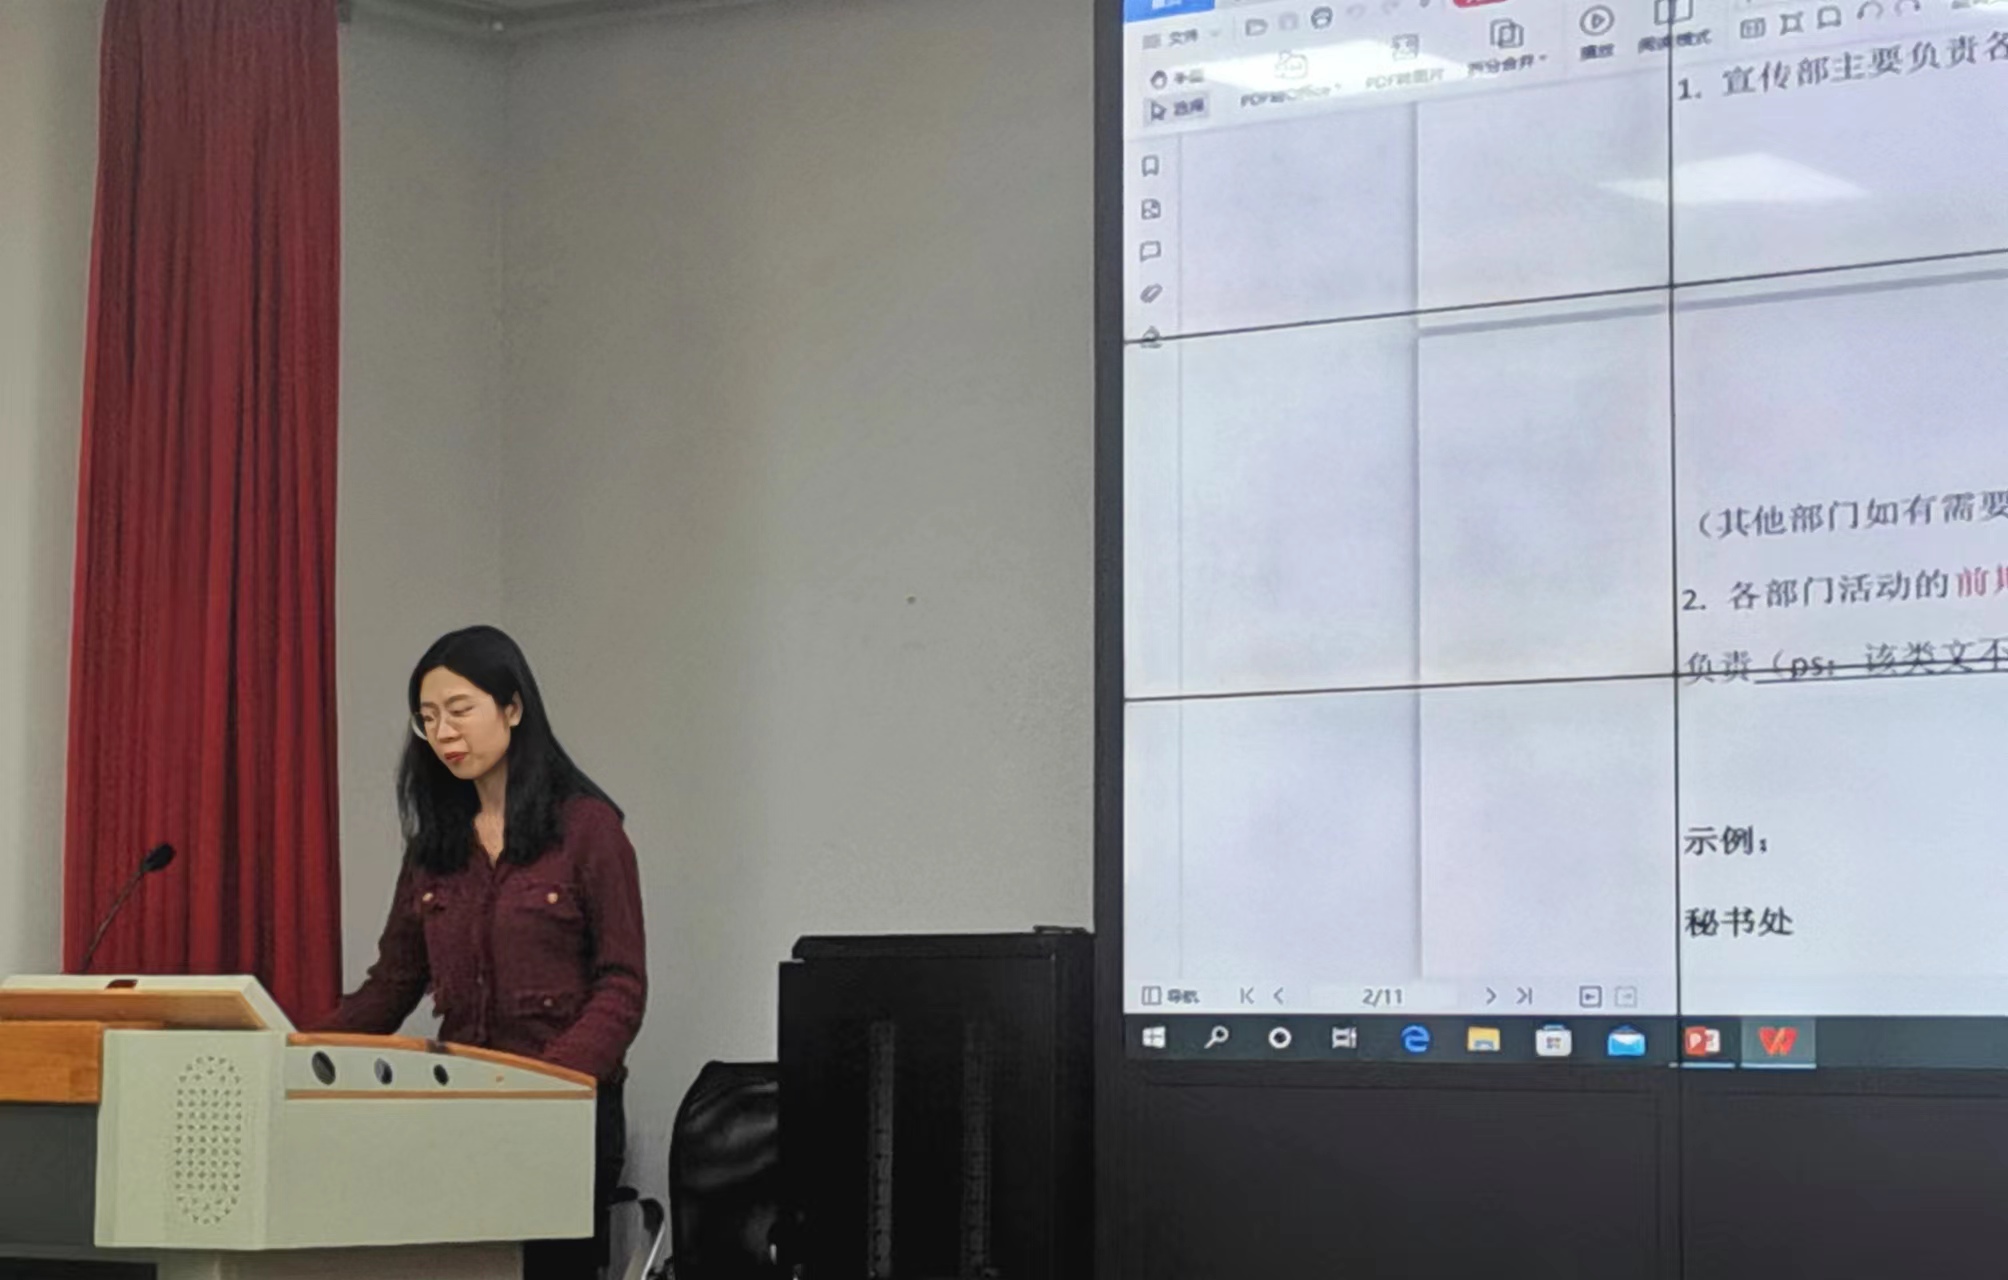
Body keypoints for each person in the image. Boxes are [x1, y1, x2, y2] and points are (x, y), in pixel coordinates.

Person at [317, 625, 646, 1279]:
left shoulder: (587, 829)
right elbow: (392, 984)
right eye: (428, 718)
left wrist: (546, 1086)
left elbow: (622, 985)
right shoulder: (434, 847)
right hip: (463, 1113)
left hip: (565, 1117)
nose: (443, 733)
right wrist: (295, 1045)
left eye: (459, 710)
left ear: (513, 707)